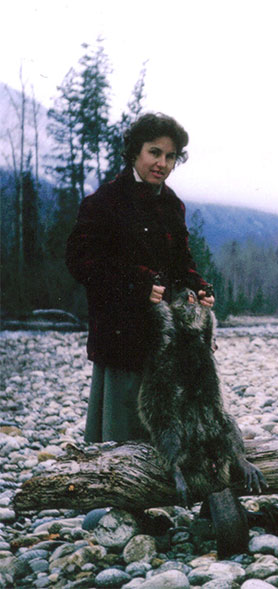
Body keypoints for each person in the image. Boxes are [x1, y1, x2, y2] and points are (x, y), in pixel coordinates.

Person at [66, 112, 215, 443]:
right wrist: (135, 283)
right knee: (118, 444)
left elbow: (181, 262)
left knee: (165, 437)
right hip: (121, 337)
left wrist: (198, 287)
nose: (162, 162)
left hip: (166, 341)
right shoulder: (105, 202)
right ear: (135, 152)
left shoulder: (172, 204)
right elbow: (80, 262)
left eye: (170, 156)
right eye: (154, 152)